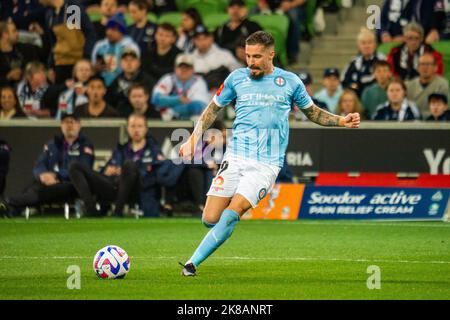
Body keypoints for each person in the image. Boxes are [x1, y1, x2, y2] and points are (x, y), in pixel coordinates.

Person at [178, 31, 360, 276]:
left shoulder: (290, 82)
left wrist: (341, 121)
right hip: (235, 157)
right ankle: (221, 230)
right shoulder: (236, 78)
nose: (251, 61)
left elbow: (314, 113)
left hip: (266, 164)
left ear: (271, 55)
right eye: (248, 56)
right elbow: (213, 109)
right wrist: (192, 138)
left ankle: (191, 264)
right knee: (210, 218)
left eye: (257, 56)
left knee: (233, 214)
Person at [69, 113, 165, 217]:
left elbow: (157, 175)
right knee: (74, 166)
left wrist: (126, 171)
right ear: (127, 128)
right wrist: (106, 170)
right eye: (132, 126)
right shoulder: (120, 149)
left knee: (129, 165)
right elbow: (108, 168)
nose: (136, 130)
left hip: (137, 190)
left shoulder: (154, 150)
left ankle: (118, 211)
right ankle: (91, 210)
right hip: (113, 185)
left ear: (146, 129)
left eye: (139, 126)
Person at [0, 113, 95, 217]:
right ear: (61, 125)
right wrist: (43, 175)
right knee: (33, 183)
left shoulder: (85, 146)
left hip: (70, 184)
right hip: (47, 181)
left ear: (79, 125)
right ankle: (11, 209)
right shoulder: (52, 144)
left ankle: (8, 203)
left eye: (72, 122)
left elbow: (83, 168)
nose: (69, 125)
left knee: (42, 190)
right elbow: (39, 163)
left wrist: (57, 175)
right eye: (66, 122)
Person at [39, 0, 96, 85]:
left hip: (76, 62)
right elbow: (53, 43)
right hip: (59, 63)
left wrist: (86, 58)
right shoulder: (50, 14)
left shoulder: (72, 9)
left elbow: (87, 35)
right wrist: (50, 66)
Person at [151, 54, 210, 120]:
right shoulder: (168, 79)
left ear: (193, 69)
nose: (184, 70)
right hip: (167, 123)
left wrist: (171, 110)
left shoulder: (199, 81)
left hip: (191, 124)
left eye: (187, 67)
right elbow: (155, 99)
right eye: (181, 67)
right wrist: (178, 99)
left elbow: (197, 107)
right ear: (175, 68)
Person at [91, 12, 141, 86]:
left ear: (122, 32)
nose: (109, 32)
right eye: (108, 29)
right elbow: (93, 66)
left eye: (113, 30)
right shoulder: (99, 45)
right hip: (101, 84)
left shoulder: (131, 47)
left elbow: (134, 69)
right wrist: (95, 69)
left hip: (124, 84)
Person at [192, 25, 243, 90]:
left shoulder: (224, 54)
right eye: (198, 39)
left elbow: (238, 75)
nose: (202, 42)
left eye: (205, 38)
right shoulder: (189, 58)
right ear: (193, 41)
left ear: (211, 38)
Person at [341, 28, 386, 97]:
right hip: (356, 99)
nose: (367, 46)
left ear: (375, 45)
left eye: (369, 42)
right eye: (363, 43)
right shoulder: (353, 62)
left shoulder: (382, 60)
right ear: (358, 46)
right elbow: (344, 82)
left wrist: (358, 84)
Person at [0, 21, 43, 88]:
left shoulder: (26, 49)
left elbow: (37, 65)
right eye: (14, 31)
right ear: (5, 34)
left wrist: (24, 73)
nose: (17, 33)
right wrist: (8, 77)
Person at [405, 53, 449, 118]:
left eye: (428, 64)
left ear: (435, 67)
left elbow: (445, 109)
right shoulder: (409, 85)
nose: (425, 67)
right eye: (422, 64)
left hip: (436, 121)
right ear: (417, 68)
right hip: (413, 122)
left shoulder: (442, 84)